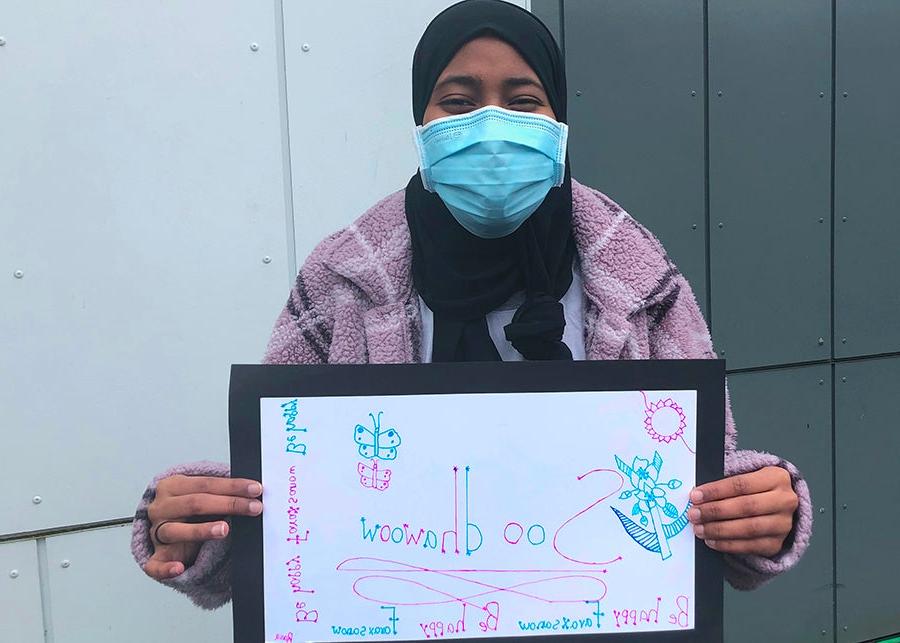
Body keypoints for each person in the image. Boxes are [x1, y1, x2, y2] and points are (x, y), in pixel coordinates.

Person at [132, 0, 811, 610]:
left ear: (560, 122)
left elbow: (710, 484)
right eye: (458, 102)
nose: (493, 126)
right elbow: (279, 499)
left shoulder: (638, 281)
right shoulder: (341, 281)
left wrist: (760, 512)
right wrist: (196, 530)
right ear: (420, 123)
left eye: (524, 101)